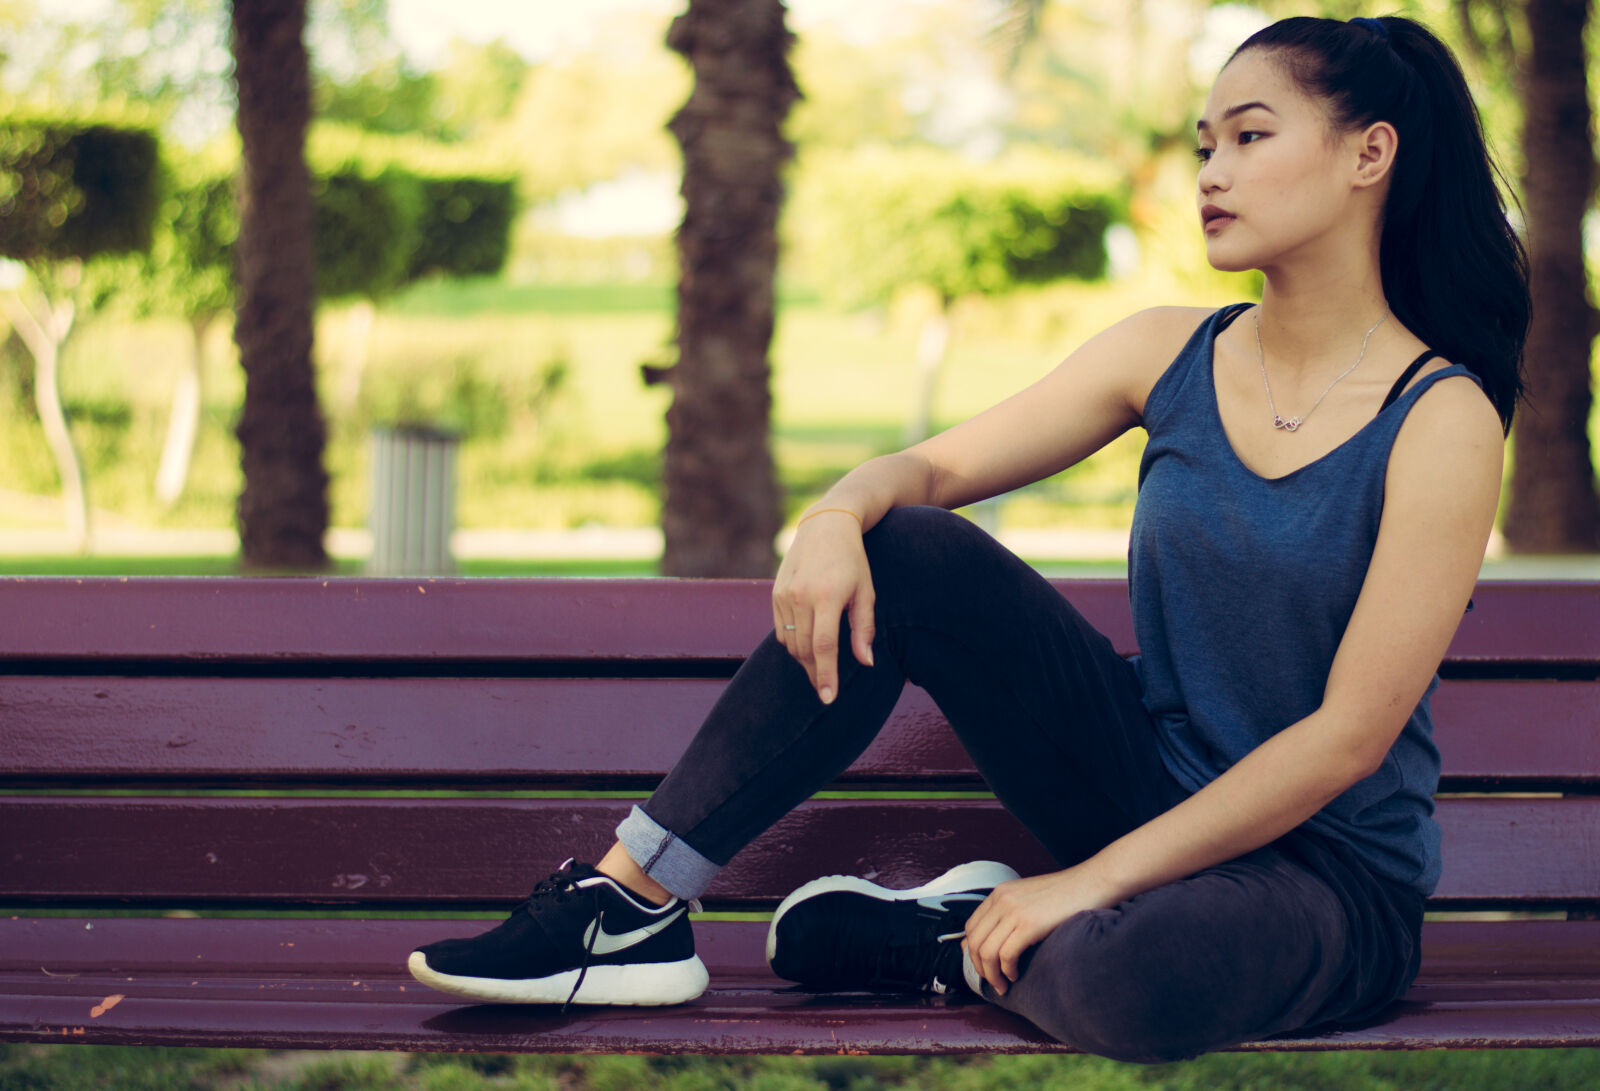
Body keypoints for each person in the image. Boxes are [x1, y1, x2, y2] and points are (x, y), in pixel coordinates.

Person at [407, 13, 1530, 1064]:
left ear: (1367, 155)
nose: (1210, 174)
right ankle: (628, 903)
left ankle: (941, 943)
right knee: (910, 547)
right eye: (1203, 145)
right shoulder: (1166, 352)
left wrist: (1082, 882)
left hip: (1326, 877)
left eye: (1249, 136)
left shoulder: (1438, 418)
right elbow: (933, 470)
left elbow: (1344, 738)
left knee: (1127, 976)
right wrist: (838, 513)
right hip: (1141, 785)